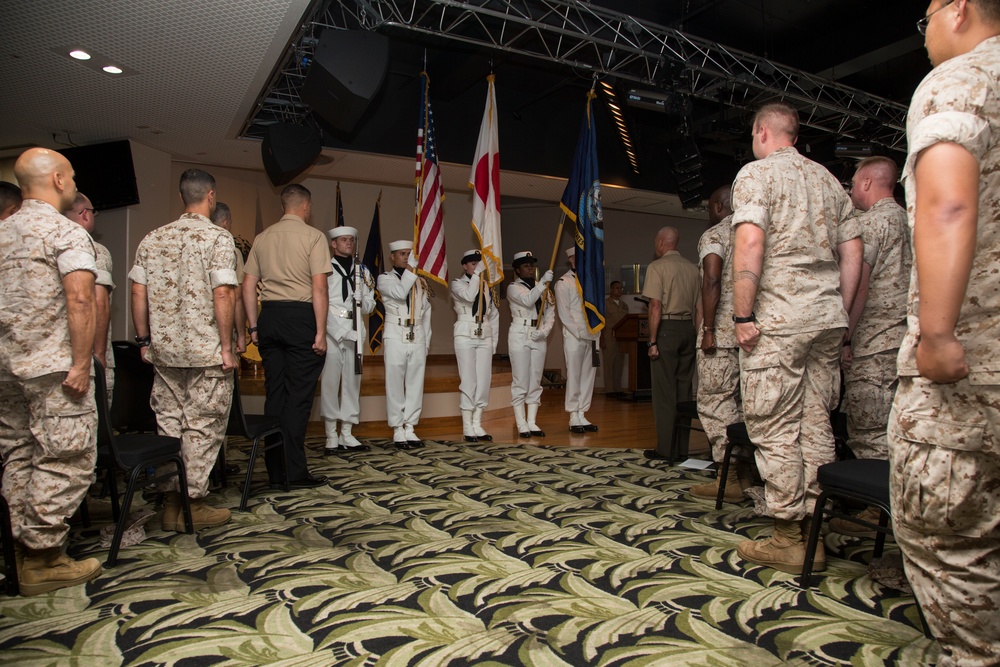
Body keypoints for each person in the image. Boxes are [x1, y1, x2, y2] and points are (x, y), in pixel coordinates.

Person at [889, 2, 1000, 664]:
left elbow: (948, 200)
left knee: (947, 535)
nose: (923, 28)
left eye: (925, 12)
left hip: (976, 361)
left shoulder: (961, 79)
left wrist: (936, 332)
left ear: (957, 8)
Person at [730, 101, 862, 574]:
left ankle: (789, 534)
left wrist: (743, 313)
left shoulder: (757, 173)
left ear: (762, 131)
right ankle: (816, 530)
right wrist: (840, 311)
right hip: (826, 318)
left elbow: (749, 242)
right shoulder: (830, 181)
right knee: (814, 424)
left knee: (773, 425)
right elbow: (853, 254)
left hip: (779, 319)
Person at [0, 147, 101, 595]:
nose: (75, 183)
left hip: (7, 368)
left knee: (18, 454)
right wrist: (81, 363)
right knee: (67, 459)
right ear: (59, 180)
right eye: (73, 176)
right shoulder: (65, 232)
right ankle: (42, 558)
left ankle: (19, 553)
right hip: (55, 369)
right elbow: (80, 298)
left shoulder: (3, 231)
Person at [130, 168, 237, 531]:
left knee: (170, 427)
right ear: (211, 196)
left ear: (181, 198)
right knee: (202, 427)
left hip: (165, 353)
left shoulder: (152, 238)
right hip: (206, 352)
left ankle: (172, 504)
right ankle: (192, 503)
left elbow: (137, 291)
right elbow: (222, 292)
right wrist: (226, 346)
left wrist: (144, 341)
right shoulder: (218, 238)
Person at [830, 157, 911, 535]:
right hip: (907, 344)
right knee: (898, 429)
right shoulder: (911, 220)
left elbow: (858, 282)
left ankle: (878, 515)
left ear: (864, 182)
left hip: (874, 343)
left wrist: (845, 333)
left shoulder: (870, 223)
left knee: (871, 433)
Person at [243, 184, 330, 488]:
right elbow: (319, 288)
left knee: (275, 395)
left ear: (284, 206)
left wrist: (254, 327)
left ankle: (275, 470)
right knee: (298, 399)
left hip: (269, 317)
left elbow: (247, 285)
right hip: (301, 318)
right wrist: (320, 332)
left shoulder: (263, 237)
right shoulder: (314, 236)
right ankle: (294, 473)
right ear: (306, 206)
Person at [689, 185, 746, 503]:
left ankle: (730, 476)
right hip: (752, 335)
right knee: (743, 406)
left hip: (721, 334)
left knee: (714, 402)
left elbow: (712, 279)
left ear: (719, 206)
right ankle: (749, 471)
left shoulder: (717, 233)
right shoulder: (756, 232)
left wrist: (708, 328)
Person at [641, 227, 700, 461]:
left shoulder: (657, 267)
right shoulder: (692, 268)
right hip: (689, 329)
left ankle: (666, 449)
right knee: (684, 392)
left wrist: (652, 341)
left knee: (665, 393)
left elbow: (655, 306)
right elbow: (699, 307)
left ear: (660, 242)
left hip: (666, 330)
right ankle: (682, 449)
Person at [319, 226, 375, 454]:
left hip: (355, 327)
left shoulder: (362, 271)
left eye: (351, 240)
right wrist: (339, 333)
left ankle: (347, 433)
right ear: (333, 244)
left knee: (353, 383)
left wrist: (362, 300)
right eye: (344, 240)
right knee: (330, 383)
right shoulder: (324, 269)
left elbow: (371, 305)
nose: (349, 243)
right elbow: (321, 304)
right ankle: (331, 434)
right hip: (332, 330)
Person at [378, 240, 431, 449]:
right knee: (395, 382)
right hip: (395, 332)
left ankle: (410, 426)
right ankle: (397, 428)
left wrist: (426, 340)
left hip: (417, 333)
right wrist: (412, 271)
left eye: (409, 254)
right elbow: (400, 292)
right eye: (402, 254)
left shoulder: (419, 281)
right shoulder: (385, 278)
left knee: (416, 383)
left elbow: (426, 313)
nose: (407, 257)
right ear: (392, 256)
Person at [65, 192, 115, 402]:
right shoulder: (94, 250)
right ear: (85, 214)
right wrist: (99, 357)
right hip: (87, 361)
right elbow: (98, 302)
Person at [451, 249, 499, 442]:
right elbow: (470, 297)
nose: (476, 267)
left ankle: (478, 423)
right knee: (469, 380)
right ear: (465, 266)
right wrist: (478, 275)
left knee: (483, 381)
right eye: (473, 264)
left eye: (479, 264)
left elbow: (493, 315)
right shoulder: (457, 283)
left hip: (484, 334)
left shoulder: (487, 286)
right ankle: (467, 426)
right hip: (465, 333)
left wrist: (493, 342)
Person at [506, 251, 554, 438]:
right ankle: (521, 423)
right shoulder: (513, 287)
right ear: (517, 269)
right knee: (520, 380)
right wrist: (542, 283)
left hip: (538, 334)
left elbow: (550, 312)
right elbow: (528, 301)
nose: (530, 268)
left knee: (535, 379)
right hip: (520, 334)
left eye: (531, 265)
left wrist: (544, 331)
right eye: (525, 265)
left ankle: (532, 422)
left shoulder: (543, 288)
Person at [555, 247, 600, 433]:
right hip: (575, 335)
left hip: (592, 334)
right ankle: (573, 414)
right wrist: (581, 332)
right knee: (574, 375)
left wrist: (595, 331)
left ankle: (583, 412)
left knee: (589, 376)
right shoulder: (563, 283)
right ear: (571, 260)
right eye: (578, 258)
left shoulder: (591, 281)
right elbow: (564, 315)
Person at [210, 202, 247, 356]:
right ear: (226, 222)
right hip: (219, 334)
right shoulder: (230, 250)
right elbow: (236, 297)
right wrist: (241, 334)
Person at [601, 281, 630, 396]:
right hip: (609, 336)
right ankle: (609, 390)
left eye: (621, 288)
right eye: (617, 288)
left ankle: (618, 389)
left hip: (621, 337)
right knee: (608, 364)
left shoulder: (624, 305)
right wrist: (601, 339)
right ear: (611, 289)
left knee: (619, 363)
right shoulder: (605, 304)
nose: (620, 290)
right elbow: (601, 322)